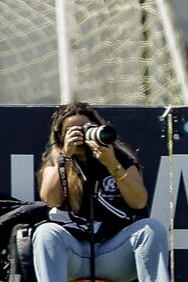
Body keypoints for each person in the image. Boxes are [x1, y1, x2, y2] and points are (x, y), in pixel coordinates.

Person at [32, 101, 170, 282]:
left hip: (113, 254)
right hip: (74, 254)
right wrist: (65, 157)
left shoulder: (118, 158)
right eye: (72, 131)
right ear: (61, 137)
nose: (80, 135)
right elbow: (50, 199)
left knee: (153, 228)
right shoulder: (57, 159)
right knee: (45, 232)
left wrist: (111, 164)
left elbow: (138, 202)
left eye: (85, 128)